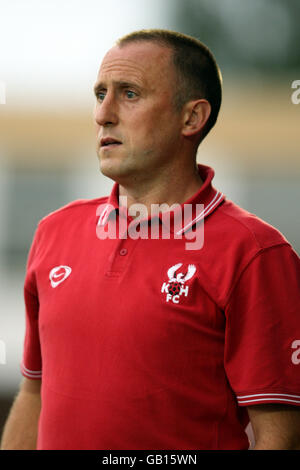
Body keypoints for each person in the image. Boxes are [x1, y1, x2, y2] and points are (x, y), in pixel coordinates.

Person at [1, 29, 300, 451]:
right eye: (99, 93)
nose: (103, 114)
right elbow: (35, 392)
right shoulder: (54, 231)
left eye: (129, 94)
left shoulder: (255, 252)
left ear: (191, 118)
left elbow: (280, 438)